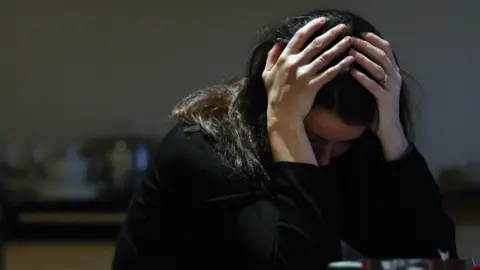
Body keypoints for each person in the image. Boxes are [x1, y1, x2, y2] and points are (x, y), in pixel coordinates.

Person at [112, 9, 458, 270]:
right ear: (272, 107)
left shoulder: (360, 149)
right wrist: (286, 126)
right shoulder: (204, 150)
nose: (324, 159)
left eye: (345, 143)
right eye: (313, 138)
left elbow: (435, 258)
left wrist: (393, 135)